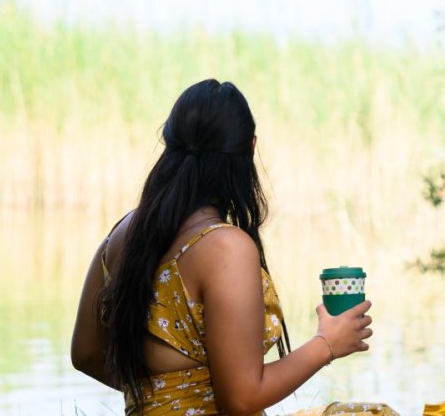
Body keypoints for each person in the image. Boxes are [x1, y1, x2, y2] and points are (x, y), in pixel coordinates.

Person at [71, 79, 395, 416]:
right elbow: (241, 400)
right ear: (250, 147)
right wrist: (327, 343)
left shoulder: (121, 235)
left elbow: (86, 355)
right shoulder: (225, 246)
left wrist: (160, 396)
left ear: (169, 142)